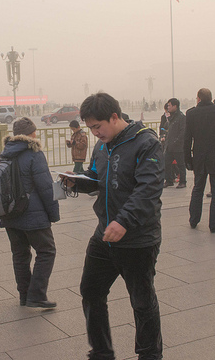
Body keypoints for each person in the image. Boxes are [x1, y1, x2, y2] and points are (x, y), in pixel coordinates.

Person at [65, 92, 164, 360]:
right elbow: (96, 178)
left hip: (137, 238)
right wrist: (77, 181)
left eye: (98, 126)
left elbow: (148, 189)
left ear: (114, 117)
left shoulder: (146, 142)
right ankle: (101, 352)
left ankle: (150, 355)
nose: (95, 133)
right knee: (91, 291)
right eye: (90, 128)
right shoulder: (101, 146)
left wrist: (123, 221)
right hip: (105, 235)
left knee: (142, 302)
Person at [0, 117, 60, 308]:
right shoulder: (34, 153)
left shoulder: (4, 154)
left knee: (20, 255)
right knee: (47, 251)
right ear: (32, 133)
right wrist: (53, 214)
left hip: (9, 214)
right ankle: (37, 295)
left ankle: (24, 295)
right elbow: (46, 187)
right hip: (33, 215)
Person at [184, 89, 215, 233]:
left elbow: (187, 138)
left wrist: (187, 159)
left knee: (198, 188)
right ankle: (214, 224)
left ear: (199, 99)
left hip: (200, 156)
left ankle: (194, 219)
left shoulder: (191, 113)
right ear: (211, 98)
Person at [163, 98, 186, 188]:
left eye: (169, 105)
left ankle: (183, 181)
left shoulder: (181, 117)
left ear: (175, 106)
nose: (168, 107)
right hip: (169, 146)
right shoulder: (171, 117)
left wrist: (176, 141)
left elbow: (183, 132)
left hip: (178, 146)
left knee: (181, 164)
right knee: (166, 163)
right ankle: (169, 180)